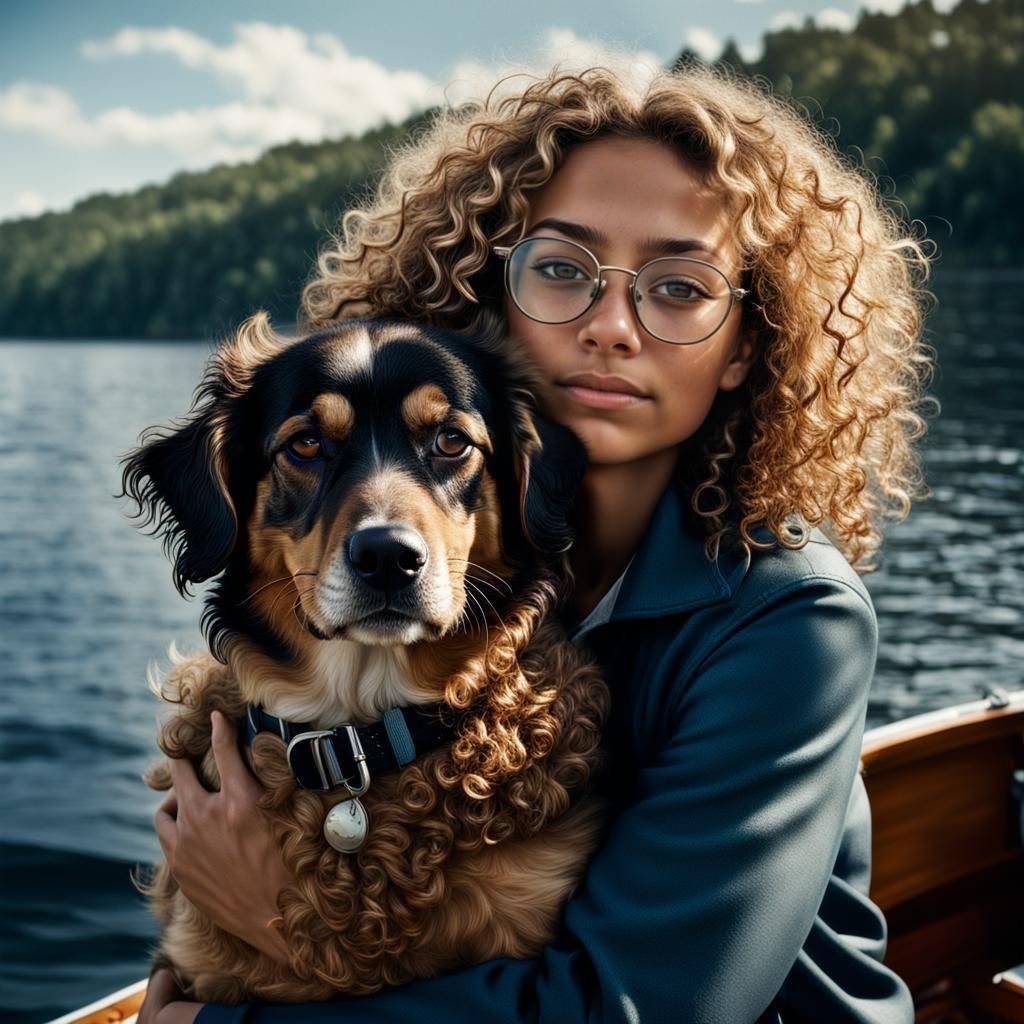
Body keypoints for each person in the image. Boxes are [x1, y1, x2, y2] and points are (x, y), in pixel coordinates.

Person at [139, 57, 934, 1024]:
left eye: (679, 287)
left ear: (746, 345)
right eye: (563, 270)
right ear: (489, 296)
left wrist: (244, 985)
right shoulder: (460, 570)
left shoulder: (791, 619)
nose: (611, 326)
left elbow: (643, 1009)